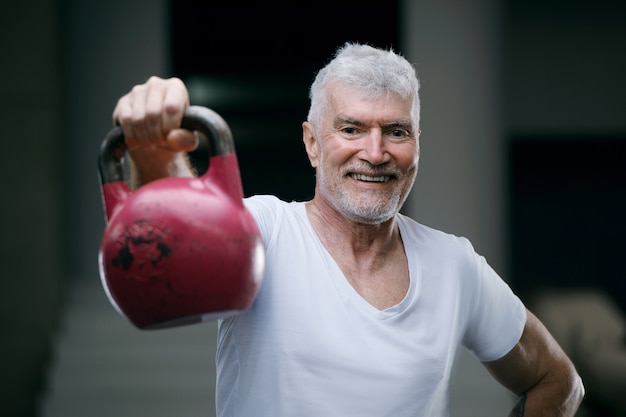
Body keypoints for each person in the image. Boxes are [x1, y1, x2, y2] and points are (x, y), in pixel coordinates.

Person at [112, 42, 584, 416]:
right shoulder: (261, 231)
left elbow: (558, 381)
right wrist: (156, 155)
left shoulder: (453, 264)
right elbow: (163, 258)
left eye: (396, 131)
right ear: (312, 143)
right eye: (352, 129)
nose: (375, 153)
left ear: (417, 145)